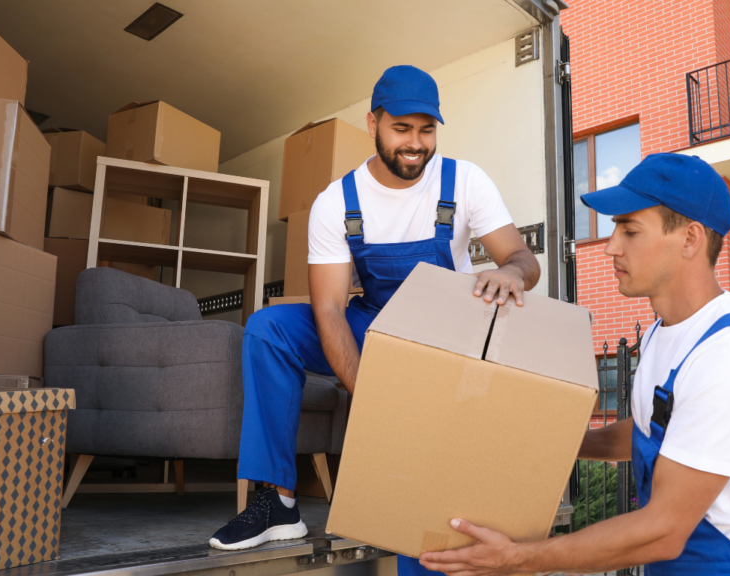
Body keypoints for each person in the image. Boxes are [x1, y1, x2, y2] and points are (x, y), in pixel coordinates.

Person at [209, 65, 541, 576]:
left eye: (426, 130)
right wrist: (375, 399)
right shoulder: (336, 202)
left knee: (425, 499)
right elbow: (328, 309)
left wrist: (513, 272)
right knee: (268, 328)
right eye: (401, 129)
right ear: (373, 123)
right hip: (372, 325)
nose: (416, 144)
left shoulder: (464, 180)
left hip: (443, 338)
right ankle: (277, 502)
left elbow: (522, 256)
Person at [419, 153, 730, 576]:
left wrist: (517, 558)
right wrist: (560, 443)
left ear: (690, 238)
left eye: (630, 230)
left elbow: (663, 530)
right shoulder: (664, 332)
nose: (610, 247)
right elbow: (651, 433)